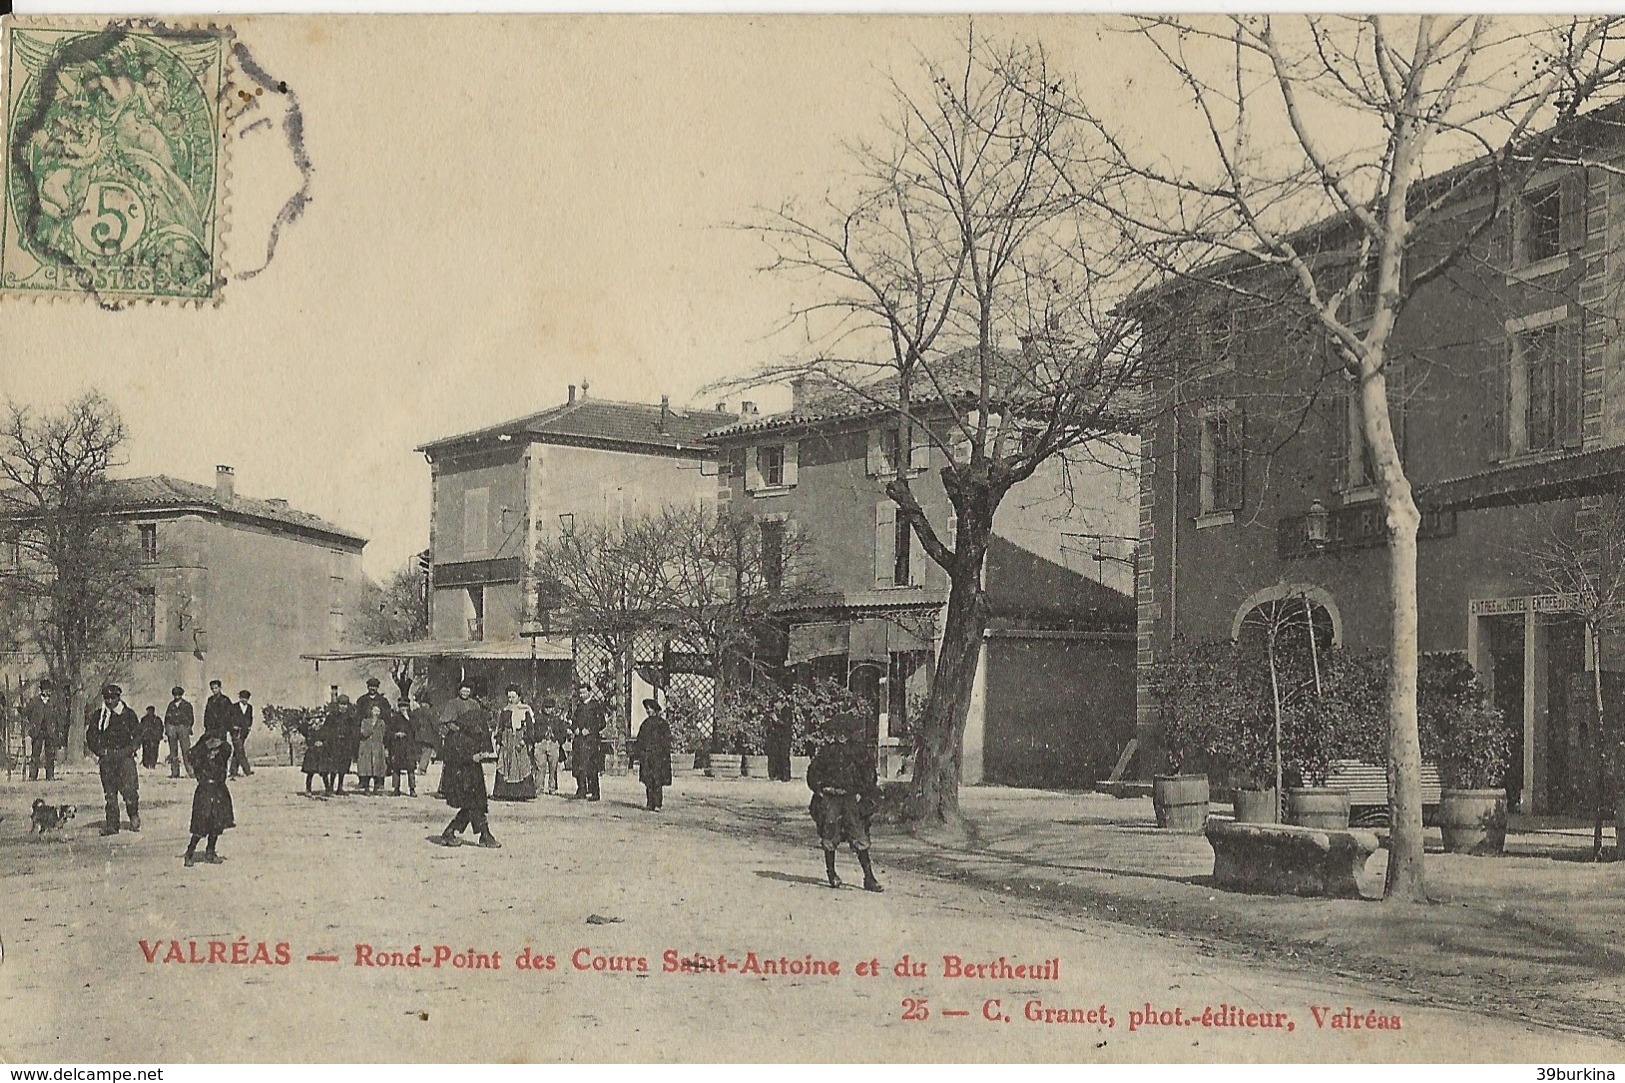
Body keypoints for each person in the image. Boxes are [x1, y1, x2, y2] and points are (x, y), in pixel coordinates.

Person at [805, 716, 883, 892]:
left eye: (844, 733)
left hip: (850, 799)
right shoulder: (826, 752)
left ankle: (869, 877)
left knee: (859, 836)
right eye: (836, 733)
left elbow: (870, 776)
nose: (840, 736)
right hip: (830, 798)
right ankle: (832, 874)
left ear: (849, 734)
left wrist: (862, 793)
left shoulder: (859, 752)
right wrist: (819, 790)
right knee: (830, 835)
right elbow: (813, 773)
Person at [432, 679, 499, 848]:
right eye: (463, 688)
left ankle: (451, 832)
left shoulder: (475, 706)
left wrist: (483, 749)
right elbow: (453, 749)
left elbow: (482, 731)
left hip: (473, 765)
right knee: (473, 802)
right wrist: (469, 755)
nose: (465, 691)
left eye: (468, 689)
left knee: (474, 802)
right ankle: (484, 835)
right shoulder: (453, 711)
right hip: (460, 768)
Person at [86, 684, 142, 836]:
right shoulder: (99, 716)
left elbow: (137, 736)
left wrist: (130, 750)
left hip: (125, 758)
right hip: (107, 759)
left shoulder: (128, 714)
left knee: (129, 791)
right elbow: (91, 735)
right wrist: (98, 750)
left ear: (119, 698)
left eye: (113, 698)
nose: (110, 701)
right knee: (110, 793)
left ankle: (133, 815)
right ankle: (112, 824)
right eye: (107, 698)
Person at [183, 726, 234, 866]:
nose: (215, 743)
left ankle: (210, 852)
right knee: (201, 823)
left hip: (219, 789)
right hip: (205, 789)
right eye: (213, 740)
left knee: (217, 822)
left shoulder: (223, 751)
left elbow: (227, 749)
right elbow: (190, 755)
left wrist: (217, 745)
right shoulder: (200, 753)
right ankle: (189, 853)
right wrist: (205, 746)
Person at [492, 685, 538, 801]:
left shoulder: (525, 710)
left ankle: (522, 794)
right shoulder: (504, 711)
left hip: (519, 740)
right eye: (509, 697)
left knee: (521, 765)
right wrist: (498, 742)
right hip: (506, 741)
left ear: (519, 697)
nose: (511, 699)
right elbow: (500, 727)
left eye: (513, 697)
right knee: (504, 764)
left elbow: (530, 729)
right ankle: (503, 793)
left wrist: (524, 741)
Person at [570, 686, 606, 801]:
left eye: (584, 693)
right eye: (580, 693)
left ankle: (595, 792)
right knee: (579, 766)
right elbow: (573, 721)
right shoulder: (579, 707)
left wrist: (590, 730)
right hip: (579, 741)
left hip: (591, 741)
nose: (581, 695)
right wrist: (574, 728)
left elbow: (601, 723)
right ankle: (581, 790)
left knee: (591, 767)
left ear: (589, 692)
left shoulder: (595, 706)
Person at [636, 697, 672, 811]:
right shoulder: (645, 724)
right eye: (647, 709)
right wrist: (640, 752)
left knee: (657, 780)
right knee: (648, 780)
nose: (648, 711)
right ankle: (650, 802)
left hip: (658, 756)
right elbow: (640, 739)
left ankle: (657, 803)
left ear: (655, 710)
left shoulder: (662, 724)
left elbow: (666, 741)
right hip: (647, 756)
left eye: (650, 708)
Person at [24, 679, 63, 782]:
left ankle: (50, 775)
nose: (48, 692)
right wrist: (34, 723)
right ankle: (32, 776)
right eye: (46, 690)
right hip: (38, 731)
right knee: (35, 754)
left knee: (50, 754)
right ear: (41, 690)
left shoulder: (53, 702)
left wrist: (57, 729)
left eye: (49, 690)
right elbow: (27, 713)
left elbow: (58, 717)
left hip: (50, 731)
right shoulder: (34, 701)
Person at [536, 697, 567, 795]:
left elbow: (563, 731)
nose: (548, 709)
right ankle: (539, 787)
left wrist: (559, 741)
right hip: (542, 742)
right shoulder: (538, 718)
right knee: (540, 766)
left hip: (553, 743)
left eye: (550, 707)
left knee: (553, 767)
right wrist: (537, 739)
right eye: (546, 707)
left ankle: (552, 787)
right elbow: (534, 731)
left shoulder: (557, 719)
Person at [387, 697, 418, 796]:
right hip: (397, 746)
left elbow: (415, 729)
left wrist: (407, 718)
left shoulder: (413, 718)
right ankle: (396, 788)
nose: (403, 708)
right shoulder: (394, 718)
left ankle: (412, 789)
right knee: (396, 768)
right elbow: (388, 732)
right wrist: (395, 734)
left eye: (405, 706)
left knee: (411, 768)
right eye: (401, 706)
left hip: (409, 746)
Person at [329, 694, 358, 795]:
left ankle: (340, 787)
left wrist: (351, 744)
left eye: (345, 704)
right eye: (341, 704)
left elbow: (353, 732)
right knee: (333, 767)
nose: (343, 707)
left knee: (343, 767)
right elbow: (327, 730)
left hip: (346, 745)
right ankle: (330, 787)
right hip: (335, 744)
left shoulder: (350, 718)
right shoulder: (332, 716)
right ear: (338, 705)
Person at [356, 702, 388, 794]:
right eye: (374, 710)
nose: (376, 713)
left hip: (377, 747)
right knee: (367, 768)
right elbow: (363, 733)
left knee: (377, 769)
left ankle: (376, 788)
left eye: (378, 711)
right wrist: (372, 728)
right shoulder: (365, 721)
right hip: (366, 747)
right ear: (370, 711)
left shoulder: (382, 722)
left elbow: (384, 734)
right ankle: (366, 788)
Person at [297, 709, 332, 795]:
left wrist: (323, 743)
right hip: (312, 753)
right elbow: (301, 728)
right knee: (310, 772)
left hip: (322, 753)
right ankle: (308, 789)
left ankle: (328, 789)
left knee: (324, 772)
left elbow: (328, 740)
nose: (316, 722)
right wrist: (307, 722)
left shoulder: (324, 729)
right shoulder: (309, 730)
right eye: (314, 719)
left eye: (319, 719)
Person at [163, 686, 194, 778]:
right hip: (172, 728)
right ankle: (175, 772)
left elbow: (191, 718)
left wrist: (188, 727)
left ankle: (191, 771)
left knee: (186, 750)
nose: (176, 697)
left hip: (183, 728)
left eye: (178, 695)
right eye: (175, 695)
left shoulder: (187, 705)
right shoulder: (171, 705)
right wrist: (167, 729)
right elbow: (167, 718)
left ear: (181, 695)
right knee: (173, 752)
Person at [411, 695, 438, 779]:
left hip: (418, 735)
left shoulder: (416, 712)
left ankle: (419, 765)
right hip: (429, 736)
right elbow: (435, 724)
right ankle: (422, 768)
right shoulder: (431, 712)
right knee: (427, 751)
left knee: (419, 750)